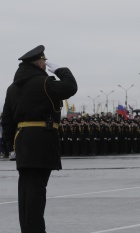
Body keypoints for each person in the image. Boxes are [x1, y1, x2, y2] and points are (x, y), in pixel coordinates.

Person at [1, 45, 78, 233]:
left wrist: (10, 147)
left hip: (22, 142)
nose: (45, 65)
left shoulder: (12, 88)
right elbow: (70, 87)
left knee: (26, 191)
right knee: (36, 192)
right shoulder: (44, 82)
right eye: (44, 61)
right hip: (41, 141)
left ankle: (27, 229)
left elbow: (7, 120)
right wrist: (61, 70)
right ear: (40, 62)